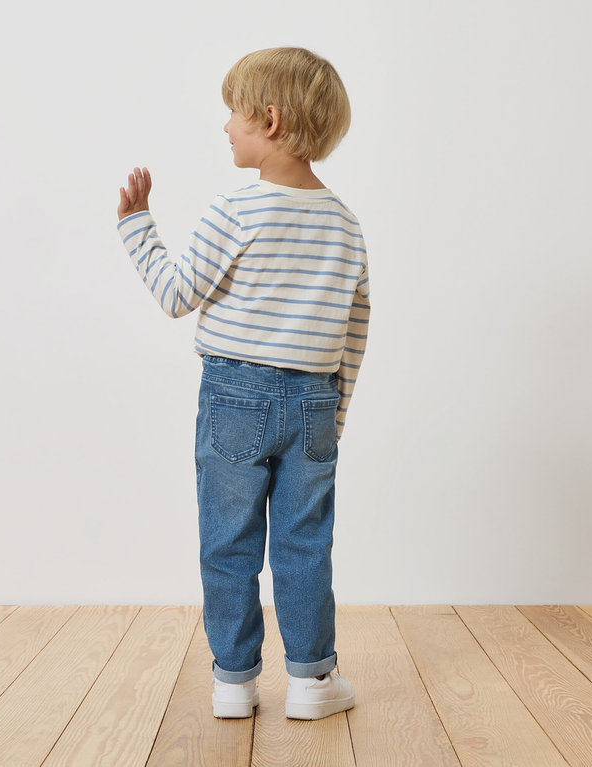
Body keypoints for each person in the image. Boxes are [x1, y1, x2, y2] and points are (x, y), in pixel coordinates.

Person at [116, 47, 369, 720]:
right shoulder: (345, 222)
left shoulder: (238, 209)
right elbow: (355, 329)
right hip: (316, 397)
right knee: (304, 541)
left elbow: (176, 296)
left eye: (234, 111)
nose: (225, 126)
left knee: (228, 540)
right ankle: (313, 682)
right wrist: (334, 414)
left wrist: (136, 226)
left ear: (272, 119)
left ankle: (234, 680)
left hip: (235, 396)